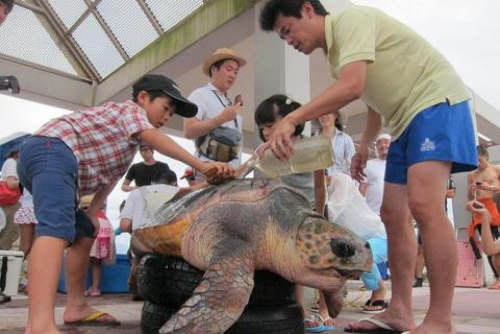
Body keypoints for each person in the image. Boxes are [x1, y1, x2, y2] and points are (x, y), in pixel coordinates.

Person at [259, 1, 477, 333]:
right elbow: (373, 99)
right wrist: (365, 144)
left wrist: (292, 118)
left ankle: (440, 320)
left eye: (287, 31)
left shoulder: (350, 20)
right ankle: (400, 310)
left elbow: (353, 86)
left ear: (306, 9)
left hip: (434, 101)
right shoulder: (336, 58)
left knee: (424, 205)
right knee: (392, 213)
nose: (289, 41)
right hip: (404, 121)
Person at [16, 74, 233, 334]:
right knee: (55, 228)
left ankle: (76, 306)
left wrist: (93, 213)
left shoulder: (127, 143)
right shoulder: (130, 111)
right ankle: (39, 325)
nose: (167, 118)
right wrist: (201, 165)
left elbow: (110, 179)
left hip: (58, 162)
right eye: (165, 108)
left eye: (172, 114)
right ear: (143, 98)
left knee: (84, 231)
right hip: (52, 149)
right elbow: (151, 137)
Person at [254, 94, 330, 332]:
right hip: (282, 216)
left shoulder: (311, 145)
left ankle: (325, 308)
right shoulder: (264, 150)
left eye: (270, 125)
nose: (266, 132)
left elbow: (320, 185)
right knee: (294, 262)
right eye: (262, 128)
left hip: (309, 213)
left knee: (321, 262)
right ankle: (302, 309)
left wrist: (320, 213)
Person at [184, 48, 247, 180]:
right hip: (210, 171)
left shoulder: (229, 102)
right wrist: (221, 118)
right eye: (228, 69)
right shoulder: (200, 94)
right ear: (214, 69)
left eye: (236, 71)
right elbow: (188, 131)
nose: (233, 75)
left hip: (233, 173)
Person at [120, 169, 180, 300]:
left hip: (142, 240)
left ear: (152, 182)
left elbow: (124, 225)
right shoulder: (181, 193)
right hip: (172, 242)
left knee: (139, 258)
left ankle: (137, 287)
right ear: (174, 183)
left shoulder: (137, 193)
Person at [467, 145, 500, 289]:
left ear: (486, 157)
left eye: (480, 160)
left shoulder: (496, 170)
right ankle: (497, 277)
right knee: (487, 242)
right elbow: (469, 196)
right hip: (480, 207)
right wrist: (471, 189)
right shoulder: (472, 175)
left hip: (495, 206)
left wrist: (491, 187)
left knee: (496, 242)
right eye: (475, 161)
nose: (478, 164)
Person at [82, 195, 116, 298]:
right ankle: (95, 289)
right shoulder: (104, 217)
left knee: (81, 264)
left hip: (91, 238)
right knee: (97, 264)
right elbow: (112, 234)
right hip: (104, 238)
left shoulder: (85, 216)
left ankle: (80, 290)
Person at [359, 134, 391, 215]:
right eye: (379, 143)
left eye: (386, 142)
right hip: (373, 214)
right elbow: (362, 189)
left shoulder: (399, 165)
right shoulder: (368, 165)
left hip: (394, 215)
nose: (383, 145)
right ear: (376, 147)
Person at [0, 148, 21, 251]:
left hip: (9, 201)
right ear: (17, 151)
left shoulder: (11, 162)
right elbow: (11, 184)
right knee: (9, 232)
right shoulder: (12, 163)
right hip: (10, 202)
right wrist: (25, 181)